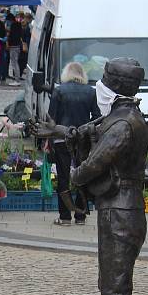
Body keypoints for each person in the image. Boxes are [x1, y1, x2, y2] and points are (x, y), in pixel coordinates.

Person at [70, 58, 148, 295]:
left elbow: (97, 162)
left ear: (113, 84)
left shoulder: (124, 124)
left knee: (116, 294)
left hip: (121, 212)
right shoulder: (125, 116)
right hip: (117, 209)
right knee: (109, 288)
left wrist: (76, 174)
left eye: (103, 79)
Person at [48, 62, 102, 226]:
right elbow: (97, 117)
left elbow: (52, 118)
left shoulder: (59, 90)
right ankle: (81, 215)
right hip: (83, 139)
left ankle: (64, 216)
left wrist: (48, 139)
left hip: (62, 138)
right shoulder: (90, 92)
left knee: (63, 177)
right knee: (82, 176)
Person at [6, 13, 23, 86]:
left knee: (14, 63)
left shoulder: (14, 26)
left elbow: (12, 36)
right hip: (17, 46)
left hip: (14, 46)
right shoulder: (19, 25)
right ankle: (17, 78)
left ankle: (17, 80)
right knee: (16, 63)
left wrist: (8, 40)